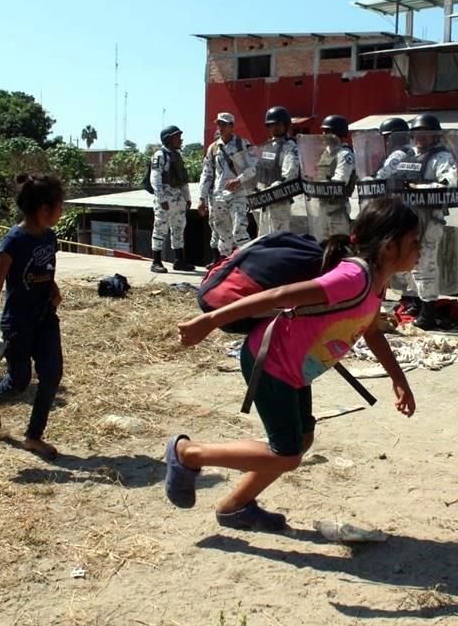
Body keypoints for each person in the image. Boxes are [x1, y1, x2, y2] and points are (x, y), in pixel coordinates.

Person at [169, 198, 419, 530]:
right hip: (270, 362)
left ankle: (235, 507)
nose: (421, 249)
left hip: (296, 370)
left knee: (301, 440)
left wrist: (398, 379)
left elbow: (372, 331)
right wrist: (210, 321)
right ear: (389, 246)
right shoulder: (353, 278)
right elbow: (279, 296)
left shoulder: (376, 282)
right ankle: (188, 454)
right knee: (286, 454)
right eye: (415, 242)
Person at [0, 174, 65, 458]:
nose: (61, 212)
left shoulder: (50, 237)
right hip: (18, 321)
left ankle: (33, 436)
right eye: (59, 206)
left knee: (51, 375)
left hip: (45, 318)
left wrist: (53, 288)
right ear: (44, 209)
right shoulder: (14, 240)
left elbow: (47, 270)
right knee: (19, 381)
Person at [382, 113, 458, 330]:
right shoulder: (404, 155)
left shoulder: (442, 157)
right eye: (417, 133)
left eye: (426, 133)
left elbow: (448, 184)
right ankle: (413, 302)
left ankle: (428, 313)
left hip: (429, 218)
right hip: (404, 217)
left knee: (426, 263)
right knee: (406, 262)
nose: (420, 137)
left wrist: (418, 188)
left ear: (435, 136)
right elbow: (382, 176)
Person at [199, 112, 256, 265]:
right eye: (219, 124)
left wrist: (239, 180)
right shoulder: (213, 148)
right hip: (218, 196)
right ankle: (225, 265)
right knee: (222, 234)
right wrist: (202, 198)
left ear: (232, 126)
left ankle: (248, 264)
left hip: (238, 194)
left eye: (224, 124)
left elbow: (254, 168)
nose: (221, 127)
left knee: (239, 231)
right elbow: (207, 174)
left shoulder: (243, 144)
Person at [150, 125, 195, 273]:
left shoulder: (178, 156)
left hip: (178, 199)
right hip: (165, 199)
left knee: (178, 228)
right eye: (177, 137)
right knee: (160, 229)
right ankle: (156, 261)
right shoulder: (160, 155)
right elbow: (155, 178)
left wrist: (187, 197)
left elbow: (183, 180)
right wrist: (162, 199)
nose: (180, 139)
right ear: (168, 139)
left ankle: (179, 260)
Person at [305, 115, 356, 238]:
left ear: (337, 133)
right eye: (323, 131)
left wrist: (319, 184)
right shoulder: (326, 153)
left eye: (327, 131)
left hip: (337, 207)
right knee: (322, 240)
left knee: (338, 241)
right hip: (322, 205)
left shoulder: (344, 154)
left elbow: (341, 179)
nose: (323, 134)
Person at [255, 106, 300, 235]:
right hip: (265, 199)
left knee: (279, 235)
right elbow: (259, 169)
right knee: (263, 235)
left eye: (278, 124)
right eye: (271, 125)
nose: (274, 128)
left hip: (280, 198)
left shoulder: (290, 146)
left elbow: (290, 173)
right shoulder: (268, 146)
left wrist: (274, 187)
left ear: (285, 125)